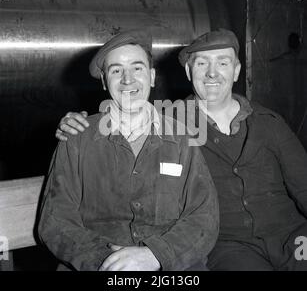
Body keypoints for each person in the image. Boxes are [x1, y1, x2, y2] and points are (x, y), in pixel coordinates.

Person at [56, 28, 307, 271]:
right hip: (229, 249)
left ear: (236, 71)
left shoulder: (269, 122)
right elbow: (127, 113)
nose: (212, 74)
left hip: (292, 237)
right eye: (201, 64)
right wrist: (74, 123)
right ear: (188, 71)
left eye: (222, 63)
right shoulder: (170, 126)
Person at [38, 29, 219, 271]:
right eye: (116, 71)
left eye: (137, 68)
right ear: (104, 81)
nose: (127, 80)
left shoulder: (182, 137)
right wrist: (106, 262)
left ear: (152, 77)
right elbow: (55, 222)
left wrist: (156, 255)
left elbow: (204, 218)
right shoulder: (77, 138)